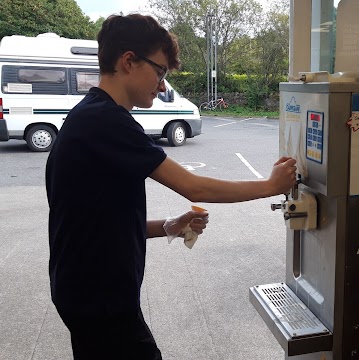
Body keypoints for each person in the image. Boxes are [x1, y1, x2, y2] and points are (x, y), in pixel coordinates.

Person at [45, 13, 297, 360]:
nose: (163, 85)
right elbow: (195, 188)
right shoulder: (106, 122)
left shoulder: (92, 116)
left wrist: (166, 226)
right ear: (128, 61)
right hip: (99, 298)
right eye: (160, 71)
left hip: (87, 291)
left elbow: (95, 219)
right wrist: (271, 186)